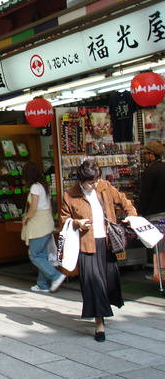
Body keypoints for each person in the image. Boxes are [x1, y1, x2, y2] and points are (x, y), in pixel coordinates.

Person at [60, 159, 137, 342]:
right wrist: (77, 223)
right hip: (87, 244)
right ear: (81, 180)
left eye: (96, 180)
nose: (94, 185)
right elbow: (63, 219)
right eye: (90, 182)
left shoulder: (105, 186)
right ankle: (99, 324)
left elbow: (123, 201)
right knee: (94, 284)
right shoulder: (70, 195)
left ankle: (104, 309)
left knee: (109, 280)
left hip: (107, 241)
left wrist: (132, 216)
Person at [20, 161, 65, 293]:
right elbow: (49, 208)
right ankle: (42, 284)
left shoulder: (34, 187)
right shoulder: (44, 186)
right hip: (47, 222)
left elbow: (33, 208)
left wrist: (25, 217)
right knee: (42, 254)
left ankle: (55, 276)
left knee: (35, 255)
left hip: (38, 225)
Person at [137, 140, 165, 281]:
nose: (145, 157)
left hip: (155, 213)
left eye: (146, 154)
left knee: (158, 247)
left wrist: (139, 212)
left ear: (152, 155)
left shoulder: (150, 171)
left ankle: (159, 275)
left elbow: (145, 194)